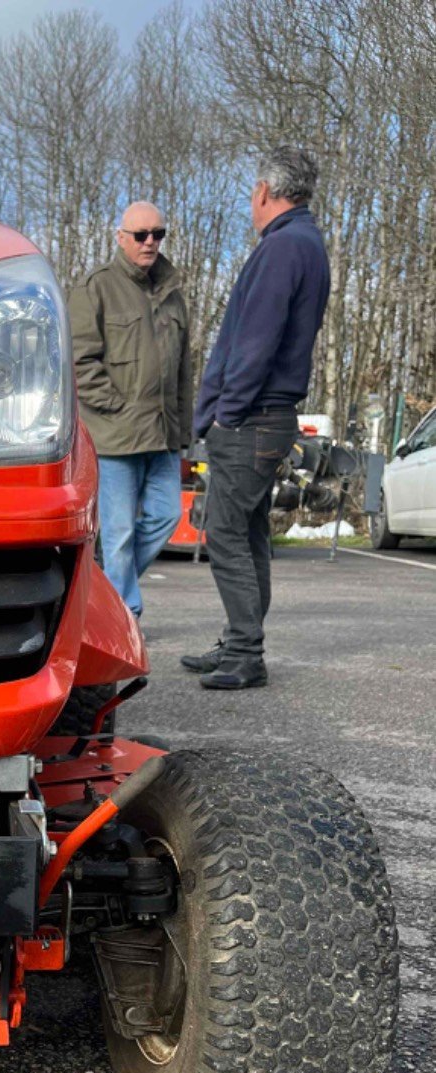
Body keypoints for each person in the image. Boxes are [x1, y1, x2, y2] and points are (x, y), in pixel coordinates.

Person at [184, 146, 331, 689]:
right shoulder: (306, 243)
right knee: (247, 536)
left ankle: (245, 653)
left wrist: (226, 413)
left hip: (252, 418)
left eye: (252, 191)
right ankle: (236, 642)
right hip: (270, 417)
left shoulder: (283, 247)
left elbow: (255, 341)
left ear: (265, 192)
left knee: (225, 535)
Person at [69, 201, 192, 621]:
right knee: (118, 534)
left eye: (158, 234)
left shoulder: (173, 295)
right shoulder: (96, 288)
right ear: (120, 237)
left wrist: (184, 433)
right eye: (141, 235)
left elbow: (183, 372)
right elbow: (80, 361)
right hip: (115, 436)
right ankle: (126, 616)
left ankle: (102, 590)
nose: (150, 242)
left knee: (167, 515)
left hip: (163, 435)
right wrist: (116, 408)